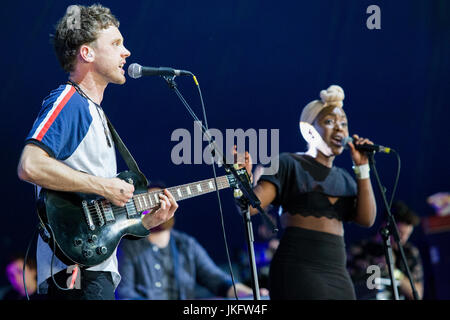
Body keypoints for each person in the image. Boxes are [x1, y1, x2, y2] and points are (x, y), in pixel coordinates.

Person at [17, 4, 178, 300]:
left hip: (93, 268)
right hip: (73, 273)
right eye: (116, 43)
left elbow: (100, 212)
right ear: (87, 53)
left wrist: (145, 223)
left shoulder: (95, 112)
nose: (126, 52)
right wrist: (104, 185)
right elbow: (30, 165)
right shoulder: (71, 101)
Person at [235, 85, 377, 299]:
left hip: (338, 273)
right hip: (298, 269)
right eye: (329, 122)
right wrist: (241, 181)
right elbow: (251, 208)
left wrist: (363, 168)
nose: (339, 129)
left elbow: (367, 219)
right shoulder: (287, 162)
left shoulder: (346, 178)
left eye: (344, 123)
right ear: (309, 130)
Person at [117, 184, 266, 300]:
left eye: (165, 200)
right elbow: (125, 293)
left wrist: (252, 294)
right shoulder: (129, 245)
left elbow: (217, 280)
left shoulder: (187, 244)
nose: (162, 206)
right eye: (154, 202)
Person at [347, 201, 424, 300]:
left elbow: (417, 294)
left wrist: (394, 271)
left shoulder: (409, 252)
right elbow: (346, 286)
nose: (403, 239)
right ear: (385, 226)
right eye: (400, 233)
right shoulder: (360, 249)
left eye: (407, 235)